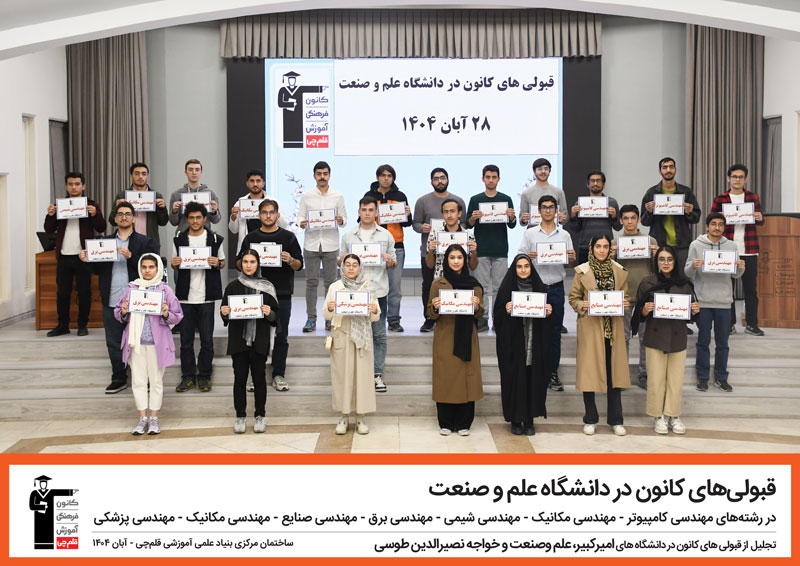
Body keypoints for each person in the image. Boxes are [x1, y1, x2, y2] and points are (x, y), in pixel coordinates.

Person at [81, 201, 157, 393]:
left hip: (139, 301)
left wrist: (131, 256)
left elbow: (151, 270)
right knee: (114, 342)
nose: (124, 217)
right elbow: (97, 270)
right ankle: (119, 378)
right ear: (115, 219)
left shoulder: (145, 242)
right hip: (112, 299)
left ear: (134, 218)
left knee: (141, 342)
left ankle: (144, 378)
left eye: (128, 214)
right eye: (120, 214)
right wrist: (87, 260)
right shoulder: (104, 242)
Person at [237, 199, 304, 392]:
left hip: (281, 293)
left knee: (281, 336)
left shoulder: (288, 237)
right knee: (255, 336)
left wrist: (290, 260)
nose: (268, 216)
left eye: (271, 212)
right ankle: (255, 376)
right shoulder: (251, 238)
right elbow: (239, 264)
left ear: (277, 215)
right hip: (255, 293)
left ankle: (278, 375)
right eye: (264, 212)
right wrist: (247, 260)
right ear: (259, 215)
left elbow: (299, 265)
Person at [568, 234, 631, 436]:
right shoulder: (582, 271)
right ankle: (590, 418)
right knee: (589, 374)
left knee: (614, 375)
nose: (602, 250)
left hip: (613, 329)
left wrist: (625, 302)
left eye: (605, 246)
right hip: (591, 328)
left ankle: (616, 420)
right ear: (592, 248)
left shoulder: (619, 271)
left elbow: (626, 295)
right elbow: (573, 298)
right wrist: (582, 304)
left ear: (610, 250)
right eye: (598, 246)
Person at [633, 246, 700, 435]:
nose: (666, 263)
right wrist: (645, 310)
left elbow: (691, 316)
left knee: (675, 381)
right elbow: (638, 315)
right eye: (661, 259)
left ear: (675, 262)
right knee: (656, 380)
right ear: (656, 262)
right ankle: (657, 416)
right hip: (655, 337)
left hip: (677, 337)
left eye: (669, 259)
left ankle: (673, 415)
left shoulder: (685, 285)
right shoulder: (647, 282)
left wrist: (696, 311)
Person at [115, 254, 183, 435]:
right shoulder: (132, 288)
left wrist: (166, 313)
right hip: (135, 344)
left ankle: (154, 417)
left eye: (151, 267)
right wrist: (123, 311)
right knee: (138, 381)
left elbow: (177, 316)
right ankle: (142, 418)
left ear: (158, 268)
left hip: (157, 345)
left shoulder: (165, 290)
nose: (147, 271)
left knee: (156, 382)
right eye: (144, 267)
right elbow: (118, 312)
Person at [517, 195, 576, 392]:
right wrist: (528, 256)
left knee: (554, 333)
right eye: (544, 207)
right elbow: (520, 258)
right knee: (532, 331)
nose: (548, 210)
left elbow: (569, 263)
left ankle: (552, 372)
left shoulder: (564, 235)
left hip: (557, 289)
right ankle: (533, 372)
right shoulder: (530, 234)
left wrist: (571, 258)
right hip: (535, 288)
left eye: (551, 207)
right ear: (539, 211)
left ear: (556, 211)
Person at [340, 196, 397, 393]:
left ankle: (376, 374)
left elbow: (394, 263)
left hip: (378, 291)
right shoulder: (348, 235)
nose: (367, 213)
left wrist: (390, 261)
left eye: (371, 210)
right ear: (359, 212)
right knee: (352, 334)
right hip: (353, 293)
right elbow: (341, 262)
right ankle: (356, 374)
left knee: (379, 335)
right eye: (363, 210)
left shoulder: (386, 235)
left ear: (376, 212)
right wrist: (341, 259)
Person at [220, 249, 280, 434]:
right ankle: (240, 416)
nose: (248, 265)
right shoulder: (232, 286)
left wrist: (269, 313)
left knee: (259, 379)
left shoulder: (267, 287)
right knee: (239, 379)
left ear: (258, 264)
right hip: (238, 341)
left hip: (259, 340)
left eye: (252, 262)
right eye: (245, 262)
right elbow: (225, 314)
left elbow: (276, 317)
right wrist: (224, 313)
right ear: (241, 264)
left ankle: (260, 415)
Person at [427, 244, 484, 436]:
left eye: (459, 257)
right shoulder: (438, 284)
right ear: (446, 260)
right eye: (452, 258)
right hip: (445, 336)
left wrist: (476, 306)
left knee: (466, 379)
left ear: (465, 260)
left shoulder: (474, 285)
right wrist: (435, 307)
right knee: (445, 378)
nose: (456, 261)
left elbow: (480, 314)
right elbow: (429, 313)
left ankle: (464, 423)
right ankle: (445, 422)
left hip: (467, 338)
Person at [493, 254, 553, 435]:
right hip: (514, 348)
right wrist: (505, 311)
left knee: (531, 381)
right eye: (519, 267)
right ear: (514, 269)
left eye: (526, 266)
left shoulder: (540, 289)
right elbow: (497, 318)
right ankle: (515, 419)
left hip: (533, 346)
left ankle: (529, 420)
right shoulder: (506, 289)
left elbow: (551, 319)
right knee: (515, 381)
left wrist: (549, 312)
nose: (523, 270)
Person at [685, 213, 745, 392]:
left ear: (724, 227)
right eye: (713, 224)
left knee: (723, 343)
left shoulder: (731, 246)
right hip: (703, 301)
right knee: (703, 342)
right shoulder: (695, 245)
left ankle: (721, 377)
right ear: (707, 226)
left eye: (720, 224)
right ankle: (702, 378)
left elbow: (735, 274)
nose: (717, 227)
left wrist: (741, 268)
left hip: (724, 302)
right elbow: (687, 273)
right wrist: (693, 266)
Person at [323, 254, 381, 435]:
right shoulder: (335, 287)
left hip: (362, 337)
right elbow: (326, 314)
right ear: (342, 267)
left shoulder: (368, 287)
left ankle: (361, 417)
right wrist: (330, 308)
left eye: (354, 265)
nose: (350, 268)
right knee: (342, 378)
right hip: (342, 334)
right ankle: (343, 416)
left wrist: (374, 310)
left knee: (362, 378)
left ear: (359, 268)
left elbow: (376, 316)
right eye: (347, 264)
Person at [43, 172, 107, 337]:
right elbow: (49, 229)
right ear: (66, 186)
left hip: (83, 256)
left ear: (83, 186)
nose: (74, 187)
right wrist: (50, 215)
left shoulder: (91, 205)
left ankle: (82, 325)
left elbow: (101, 227)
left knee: (84, 292)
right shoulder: (59, 205)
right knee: (62, 293)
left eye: (77, 184)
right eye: (70, 184)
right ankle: (62, 325)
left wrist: (95, 214)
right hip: (64, 255)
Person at [171, 201, 225, 393]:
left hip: (206, 297)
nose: (195, 221)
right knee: (185, 341)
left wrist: (217, 262)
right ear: (187, 219)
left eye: (198, 217)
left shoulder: (215, 239)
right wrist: (175, 263)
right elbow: (174, 264)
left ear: (204, 218)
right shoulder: (179, 239)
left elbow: (222, 262)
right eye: (191, 218)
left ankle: (204, 376)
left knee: (207, 341)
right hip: (185, 298)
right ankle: (187, 376)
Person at [710, 163, 766, 336]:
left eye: (741, 177)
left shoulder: (752, 197)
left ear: (745, 179)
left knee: (751, 289)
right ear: (729, 178)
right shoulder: (720, 199)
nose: (737, 180)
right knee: (728, 289)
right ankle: (729, 324)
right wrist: (719, 219)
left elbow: (760, 221)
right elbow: (711, 221)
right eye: (734, 176)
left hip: (749, 249)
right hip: (727, 249)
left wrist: (759, 217)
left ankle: (752, 324)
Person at [413, 167, 467, 332]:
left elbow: (464, 224)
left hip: (455, 254)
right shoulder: (422, 201)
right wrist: (422, 227)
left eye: (442, 178)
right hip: (430, 252)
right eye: (436, 179)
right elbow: (415, 224)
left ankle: (456, 313)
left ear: (448, 180)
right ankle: (429, 318)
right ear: (431, 182)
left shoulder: (458, 200)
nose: (440, 181)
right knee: (428, 286)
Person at [611, 204, 657, 389]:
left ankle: (644, 374)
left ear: (638, 219)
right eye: (626, 218)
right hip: (623, 297)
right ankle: (622, 375)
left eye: (633, 218)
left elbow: (657, 269)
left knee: (645, 338)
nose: (629, 222)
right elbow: (608, 271)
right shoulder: (614, 243)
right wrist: (610, 257)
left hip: (645, 297)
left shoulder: (650, 240)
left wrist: (656, 255)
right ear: (621, 221)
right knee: (623, 339)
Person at [298, 160, 347, 332]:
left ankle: (329, 317)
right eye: (319, 174)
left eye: (325, 174)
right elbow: (300, 217)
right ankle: (311, 319)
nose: (322, 177)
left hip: (330, 244)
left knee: (330, 283)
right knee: (311, 283)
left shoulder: (337, 196)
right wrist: (302, 223)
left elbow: (344, 219)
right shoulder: (306, 196)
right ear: (314, 176)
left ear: (329, 175)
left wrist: (341, 220)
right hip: (311, 244)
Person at [467, 164, 517, 332]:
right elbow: (468, 223)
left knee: (499, 287)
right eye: (487, 177)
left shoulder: (506, 199)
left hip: (500, 249)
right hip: (481, 249)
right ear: (483, 179)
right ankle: (482, 317)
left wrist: (511, 217)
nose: (490, 180)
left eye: (494, 177)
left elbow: (512, 225)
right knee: (481, 286)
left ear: (498, 179)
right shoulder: (475, 199)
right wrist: (473, 218)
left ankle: (498, 318)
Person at [364, 164, 412, 332]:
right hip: (372, 247)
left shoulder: (400, 196)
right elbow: (362, 220)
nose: (386, 178)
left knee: (395, 287)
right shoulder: (369, 196)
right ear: (378, 177)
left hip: (396, 246)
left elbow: (407, 223)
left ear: (393, 178)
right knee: (371, 285)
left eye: (389, 175)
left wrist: (408, 214)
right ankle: (372, 318)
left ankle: (393, 320)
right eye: (383, 175)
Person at [640, 157, 701, 273]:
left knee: (682, 276)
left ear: (675, 170)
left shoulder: (686, 192)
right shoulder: (651, 193)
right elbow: (644, 221)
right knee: (660, 277)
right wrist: (649, 212)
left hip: (682, 245)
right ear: (660, 171)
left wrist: (689, 213)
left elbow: (696, 218)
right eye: (665, 167)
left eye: (671, 167)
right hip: (659, 244)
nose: (668, 170)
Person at [566, 171, 621, 265]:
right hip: (586, 247)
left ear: (603, 184)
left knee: (606, 273)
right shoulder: (580, 203)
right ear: (587, 184)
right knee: (585, 274)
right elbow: (575, 229)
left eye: (598, 181)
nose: (595, 183)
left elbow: (618, 227)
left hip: (606, 247)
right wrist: (573, 216)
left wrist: (614, 217)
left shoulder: (612, 202)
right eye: (592, 181)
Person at [229, 168, 288, 253]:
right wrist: (233, 217)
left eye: (258, 181)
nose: (255, 184)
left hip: (269, 246)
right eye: (252, 181)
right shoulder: (240, 203)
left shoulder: (273, 202)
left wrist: (276, 215)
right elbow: (233, 230)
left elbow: (284, 225)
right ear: (247, 183)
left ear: (263, 183)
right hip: (248, 247)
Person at [114, 162, 169, 253]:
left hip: (150, 242)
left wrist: (162, 209)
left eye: (144, 174)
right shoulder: (122, 195)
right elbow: (112, 221)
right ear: (131, 176)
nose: (140, 177)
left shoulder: (156, 196)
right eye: (137, 174)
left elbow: (163, 222)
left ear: (147, 176)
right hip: (127, 243)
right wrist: (116, 208)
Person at [425, 198, 478, 279]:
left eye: (452, 211)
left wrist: (474, 253)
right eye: (446, 212)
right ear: (443, 214)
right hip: (441, 280)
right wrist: (431, 251)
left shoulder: (468, 235)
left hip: (462, 280)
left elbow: (473, 267)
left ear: (459, 213)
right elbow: (430, 265)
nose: (449, 215)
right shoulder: (434, 234)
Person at [168, 158, 222, 233]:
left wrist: (214, 212)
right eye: (190, 170)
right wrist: (174, 212)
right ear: (185, 172)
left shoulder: (210, 193)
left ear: (201, 172)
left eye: (197, 170)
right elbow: (173, 222)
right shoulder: (176, 194)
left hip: (204, 236)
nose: (194, 172)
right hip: (183, 236)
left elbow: (216, 220)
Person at [29, 475, 78, 549]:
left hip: (49, 517)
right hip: (38, 518)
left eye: (44, 483)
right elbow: (31, 506)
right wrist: (42, 507)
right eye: (42, 483)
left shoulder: (50, 492)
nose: (43, 485)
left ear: (46, 484)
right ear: (39, 484)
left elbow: (59, 492)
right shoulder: (34, 493)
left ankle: (49, 545)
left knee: (49, 533)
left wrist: (71, 492)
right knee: (39, 533)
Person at [519, 158, 568, 227]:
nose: (543, 172)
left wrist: (562, 219)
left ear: (549, 171)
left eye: (546, 169)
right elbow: (521, 221)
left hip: (553, 232)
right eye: (539, 169)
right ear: (534, 172)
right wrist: (523, 219)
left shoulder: (559, 192)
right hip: (532, 232)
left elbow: (565, 218)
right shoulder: (526, 193)